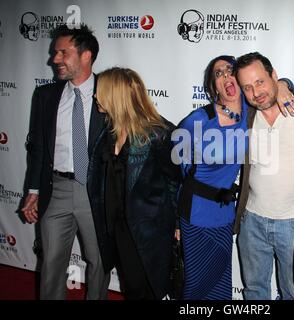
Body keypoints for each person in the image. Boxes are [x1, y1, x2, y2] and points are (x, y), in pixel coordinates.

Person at [172, 54, 294, 300]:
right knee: (197, 285)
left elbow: (275, 85)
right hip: (196, 212)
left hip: (226, 213)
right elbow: (177, 170)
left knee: (220, 282)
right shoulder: (198, 120)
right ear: (213, 86)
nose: (226, 77)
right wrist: (176, 220)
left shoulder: (251, 112)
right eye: (218, 74)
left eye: (230, 71)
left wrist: (284, 85)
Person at [21, 24, 109, 299]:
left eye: (63, 52)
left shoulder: (111, 92)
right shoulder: (45, 96)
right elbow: (37, 148)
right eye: (55, 53)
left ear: (86, 55)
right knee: (51, 265)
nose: (55, 59)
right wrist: (33, 191)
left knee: (100, 265)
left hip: (96, 192)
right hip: (55, 189)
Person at [88, 67, 179, 299]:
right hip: (117, 228)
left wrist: (178, 225)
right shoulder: (107, 132)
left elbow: (177, 182)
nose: (95, 96)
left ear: (115, 95)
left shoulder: (159, 133)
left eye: (100, 91)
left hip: (149, 231)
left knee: (147, 290)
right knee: (133, 288)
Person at [234, 52, 294, 300]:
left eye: (260, 82)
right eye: (247, 87)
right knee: (254, 291)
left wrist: (285, 86)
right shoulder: (245, 116)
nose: (256, 92)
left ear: (274, 75)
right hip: (252, 222)